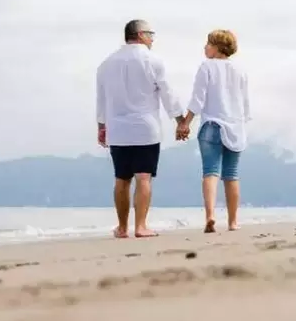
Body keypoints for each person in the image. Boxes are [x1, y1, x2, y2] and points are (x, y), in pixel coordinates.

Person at [96, 19, 186, 238]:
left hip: (118, 129)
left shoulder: (106, 64)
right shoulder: (153, 60)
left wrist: (101, 126)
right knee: (143, 177)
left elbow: (101, 99)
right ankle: (141, 226)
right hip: (146, 128)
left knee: (121, 179)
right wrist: (181, 120)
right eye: (150, 34)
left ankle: (122, 227)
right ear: (139, 35)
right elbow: (168, 93)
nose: (152, 39)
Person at [176, 29, 251, 233]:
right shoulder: (241, 70)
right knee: (232, 175)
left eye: (208, 43)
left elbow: (197, 100)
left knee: (210, 172)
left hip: (211, 126)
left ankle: (210, 216)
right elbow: (245, 104)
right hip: (235, 126)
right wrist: (241, 124)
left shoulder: (207, 67)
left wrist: (185, 123)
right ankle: (233, 221)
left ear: (218, 47)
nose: (205, 47)